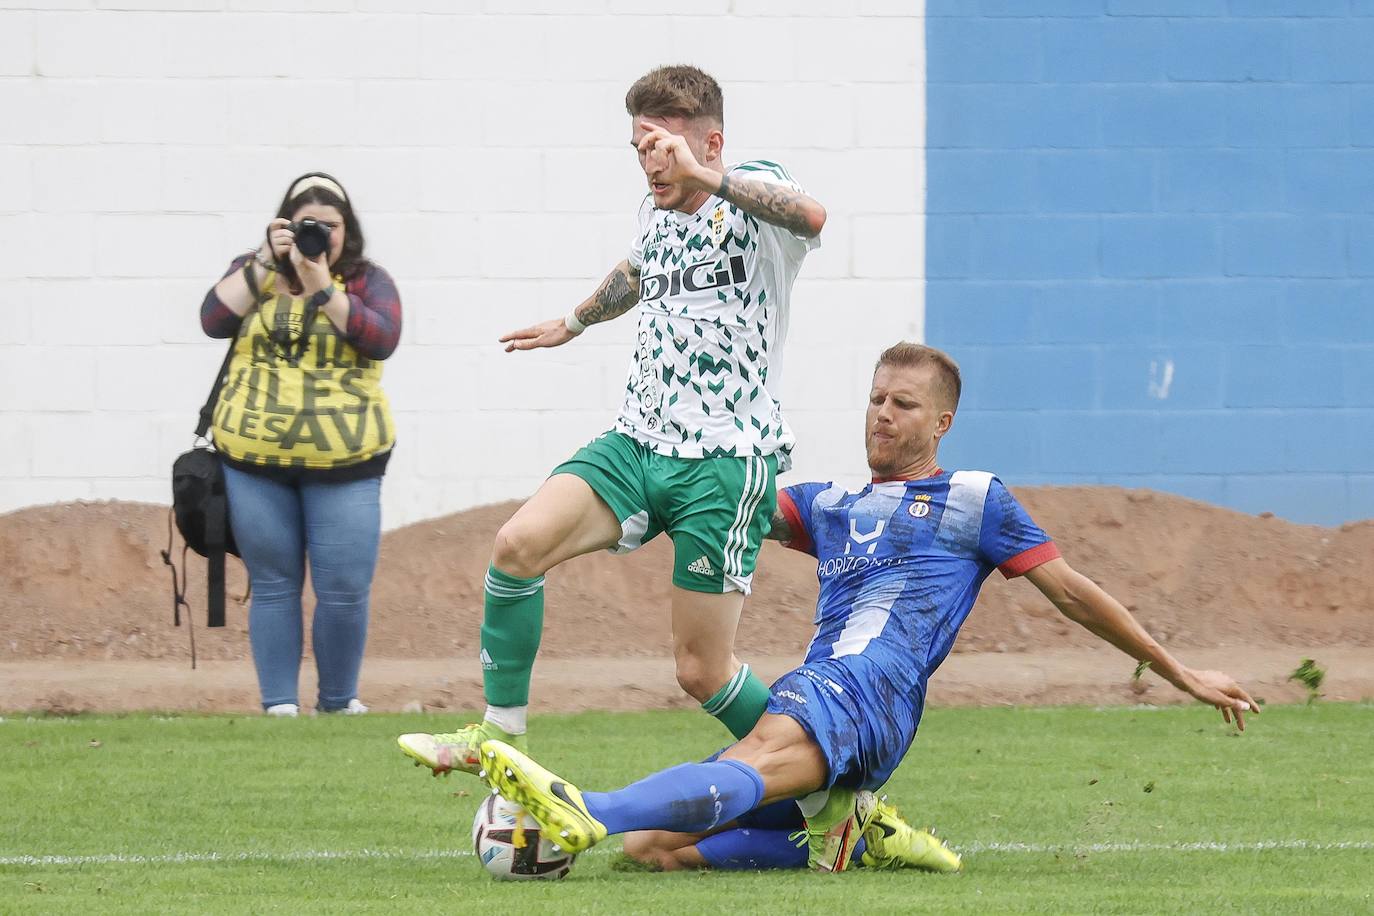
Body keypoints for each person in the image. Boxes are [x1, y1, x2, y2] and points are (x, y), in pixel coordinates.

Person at [472, 342, 1259, 873]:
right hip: (825, 692)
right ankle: (837, 838)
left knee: (732, 769)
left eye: (905, 404)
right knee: (654, 850)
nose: (883, 413)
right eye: (877, 398)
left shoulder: (975, 499)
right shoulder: (828, 501)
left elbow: (1075, 594)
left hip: (872, 689)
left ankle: (587, 806)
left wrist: (1177, 670)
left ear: (942, 421)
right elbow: (721, 507)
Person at [399, 65, 826, 770]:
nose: (649, 163)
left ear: (710, 144)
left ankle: (832, 784)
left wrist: (707, 174)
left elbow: (811, 217)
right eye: (639, 148)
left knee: (700, 671)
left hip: (723, 461)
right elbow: (638, 270)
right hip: (637, 443)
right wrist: (574, 320)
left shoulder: (751, 193)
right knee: (516, 546)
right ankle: (498, 735)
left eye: (662, 147)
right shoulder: (654, 214)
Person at [200, 171, 402, 717]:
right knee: (272, 584)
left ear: (347, 230)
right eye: (305, 225)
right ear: (284, 225)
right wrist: (266, 259)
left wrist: (322, 284)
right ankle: (279, 707)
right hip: (253, 459)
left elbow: (380, 338)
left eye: (329, 226)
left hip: (348, 462)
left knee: (343, 589)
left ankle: (337, 704)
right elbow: (213, 319)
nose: (318, 235)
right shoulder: (256, 271)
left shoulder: (366, 280)